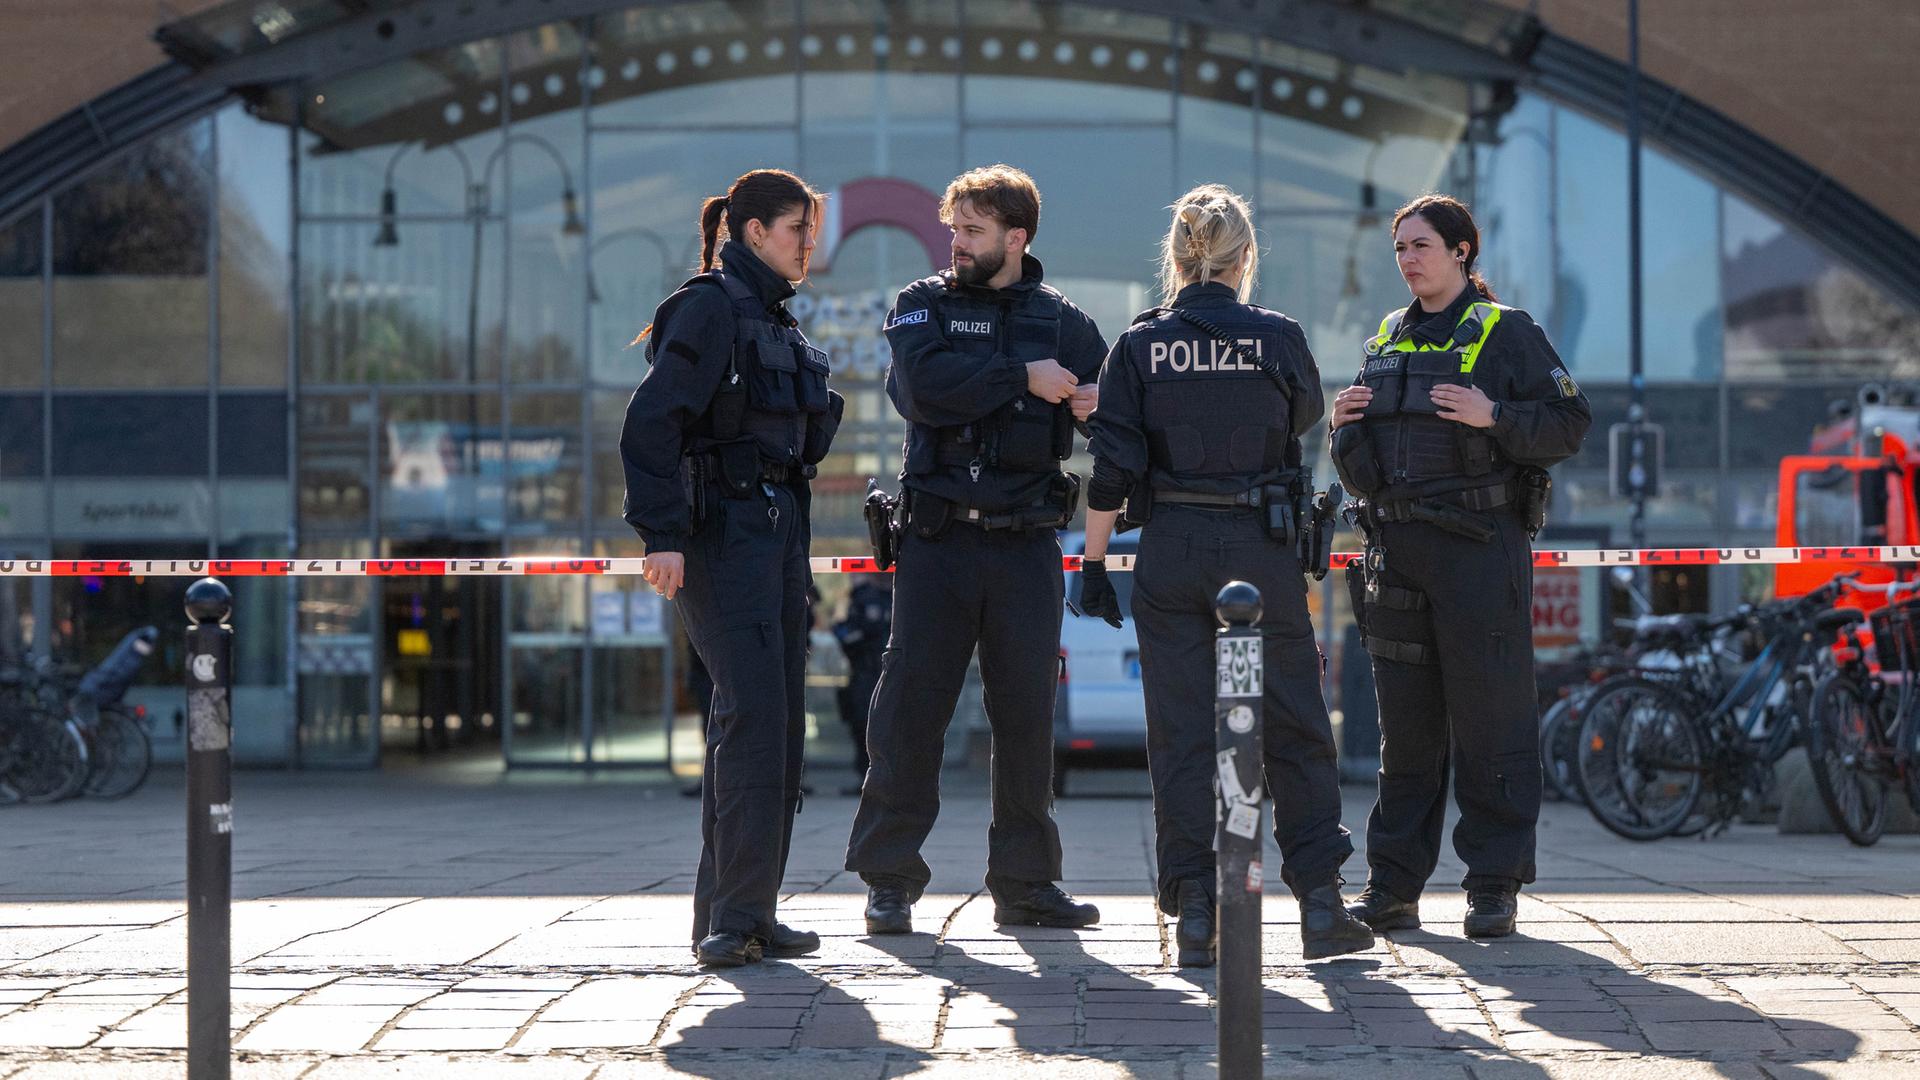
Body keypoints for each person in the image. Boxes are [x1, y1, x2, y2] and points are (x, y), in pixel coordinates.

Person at [1078, 184, 1375, 966]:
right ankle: (1319, 906)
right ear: (1245, 258)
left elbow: (1109, 470)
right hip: (1259, 549)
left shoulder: (1140, 345)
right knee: (1295, 729)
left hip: (1170, 548)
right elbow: (1304, 418)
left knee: (1180, 736)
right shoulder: (1278, 339)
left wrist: (1094, 564)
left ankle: (1197, 915)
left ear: (1175, 258)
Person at [845, 164, 1108, 934]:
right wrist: (1023, 376)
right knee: (910, 712)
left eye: (972, 231)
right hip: (937, 540)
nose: (954, 242)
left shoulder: (1064, 322)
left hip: (1027, 544)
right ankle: (889, 881)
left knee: (1026, 718)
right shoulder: (920, 305)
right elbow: (925, 392)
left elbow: (1115, 418)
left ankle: (1026, 886)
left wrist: (1096, 406)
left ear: (1016, 238)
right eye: (953, 228)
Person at [1328, 193, 1592, 939]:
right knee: (1406, 734)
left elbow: (1571, 424)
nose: (1408, 259)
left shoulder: (1507, 333)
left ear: (1461, 251)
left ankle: (1493, 885)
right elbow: (1361, 467)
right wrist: (1342, 428)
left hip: (1481, 550)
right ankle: (1392, 888)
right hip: (1398, 554)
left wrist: (1496, 418)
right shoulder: (1385, 338)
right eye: (1400, 248)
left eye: (1421, 245)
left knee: (1491, 722)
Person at [620, 169, 844, 968]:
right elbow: (651, 423)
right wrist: (662, 535)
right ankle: (735, 919)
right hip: (722, 538)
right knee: (752, 717)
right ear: (753, 232)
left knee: (778, 727)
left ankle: (744, 910)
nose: (807, 244)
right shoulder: (710, 307)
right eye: (796, 230)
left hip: (777, 537)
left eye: (810, 231)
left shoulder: (777, 319)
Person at [832, 574, 893, 796]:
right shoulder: (863, 597)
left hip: (885, 673)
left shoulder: (901, 593)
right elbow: (845, 633)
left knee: (889, 728)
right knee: (862, 726)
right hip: (865, 673)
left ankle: (886, 781)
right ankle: (867, 779)